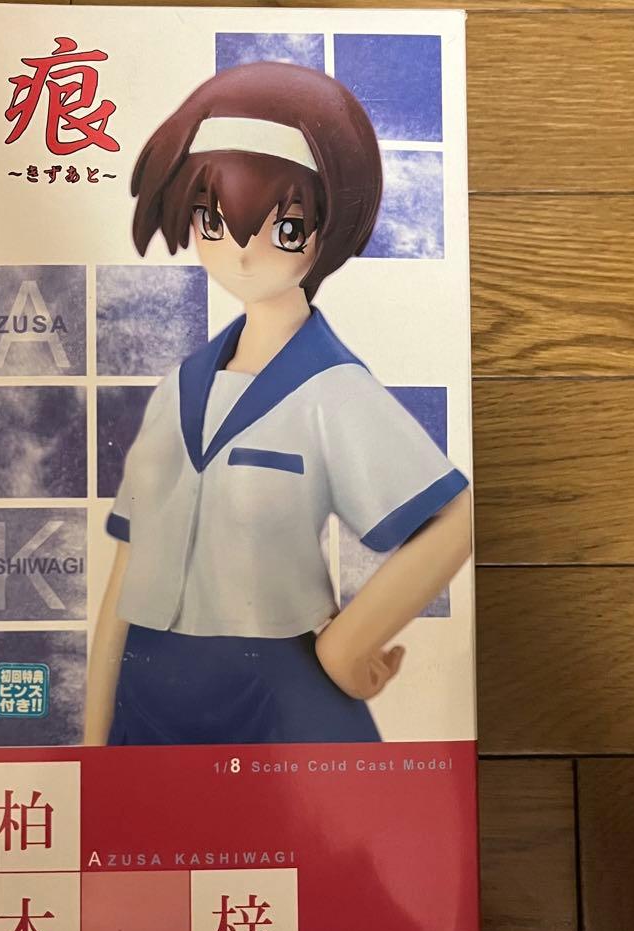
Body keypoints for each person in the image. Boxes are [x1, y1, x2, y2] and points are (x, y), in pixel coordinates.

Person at [84, 61, 472, 746]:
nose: (242, 253)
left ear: (329, 228)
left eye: (285, 229)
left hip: (275, 699)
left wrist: (349, 645)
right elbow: (126, 572)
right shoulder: (178, 389)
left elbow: (457, 517)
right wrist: (92, 743)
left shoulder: (332, 388)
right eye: (212, 219)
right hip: (147, 697)